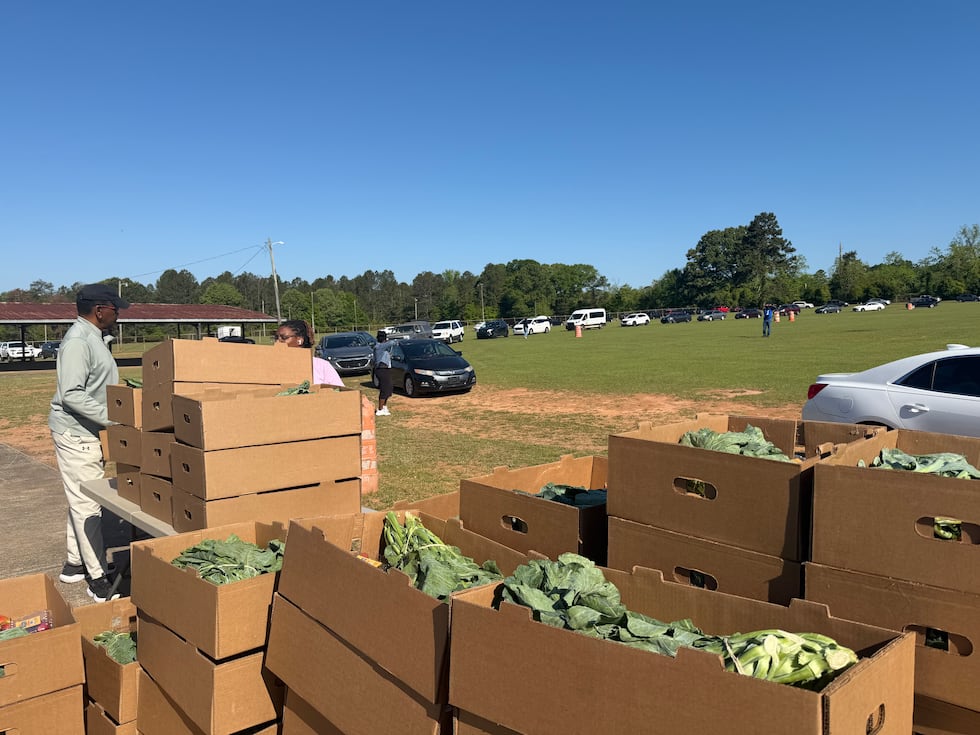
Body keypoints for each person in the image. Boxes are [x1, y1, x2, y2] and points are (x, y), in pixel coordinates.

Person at [49, 283, 129, 602]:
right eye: (115, 308)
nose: (118, 313)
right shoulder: (78, 342)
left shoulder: (94, 339)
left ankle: (73, 564)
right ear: (99, 310)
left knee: (79, 497)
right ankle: (98, 578)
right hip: (76, 434)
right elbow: (71, 393)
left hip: (87, 432)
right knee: (88, 503)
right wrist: (114, 419)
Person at [274, 320, 344, 387]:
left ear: (299, 340)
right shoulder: (273, 366)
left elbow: (340, 392)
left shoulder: (321, 366)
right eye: (276, 338)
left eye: (284, 338)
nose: (277, 342)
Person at [373, 330, 393, 416]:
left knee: (389, 388)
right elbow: (392, 343)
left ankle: (384, 406)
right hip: (381, 369)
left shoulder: (382, 346)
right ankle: (380, 409)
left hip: (386, 369)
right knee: (384, 389)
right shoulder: (379, 347)